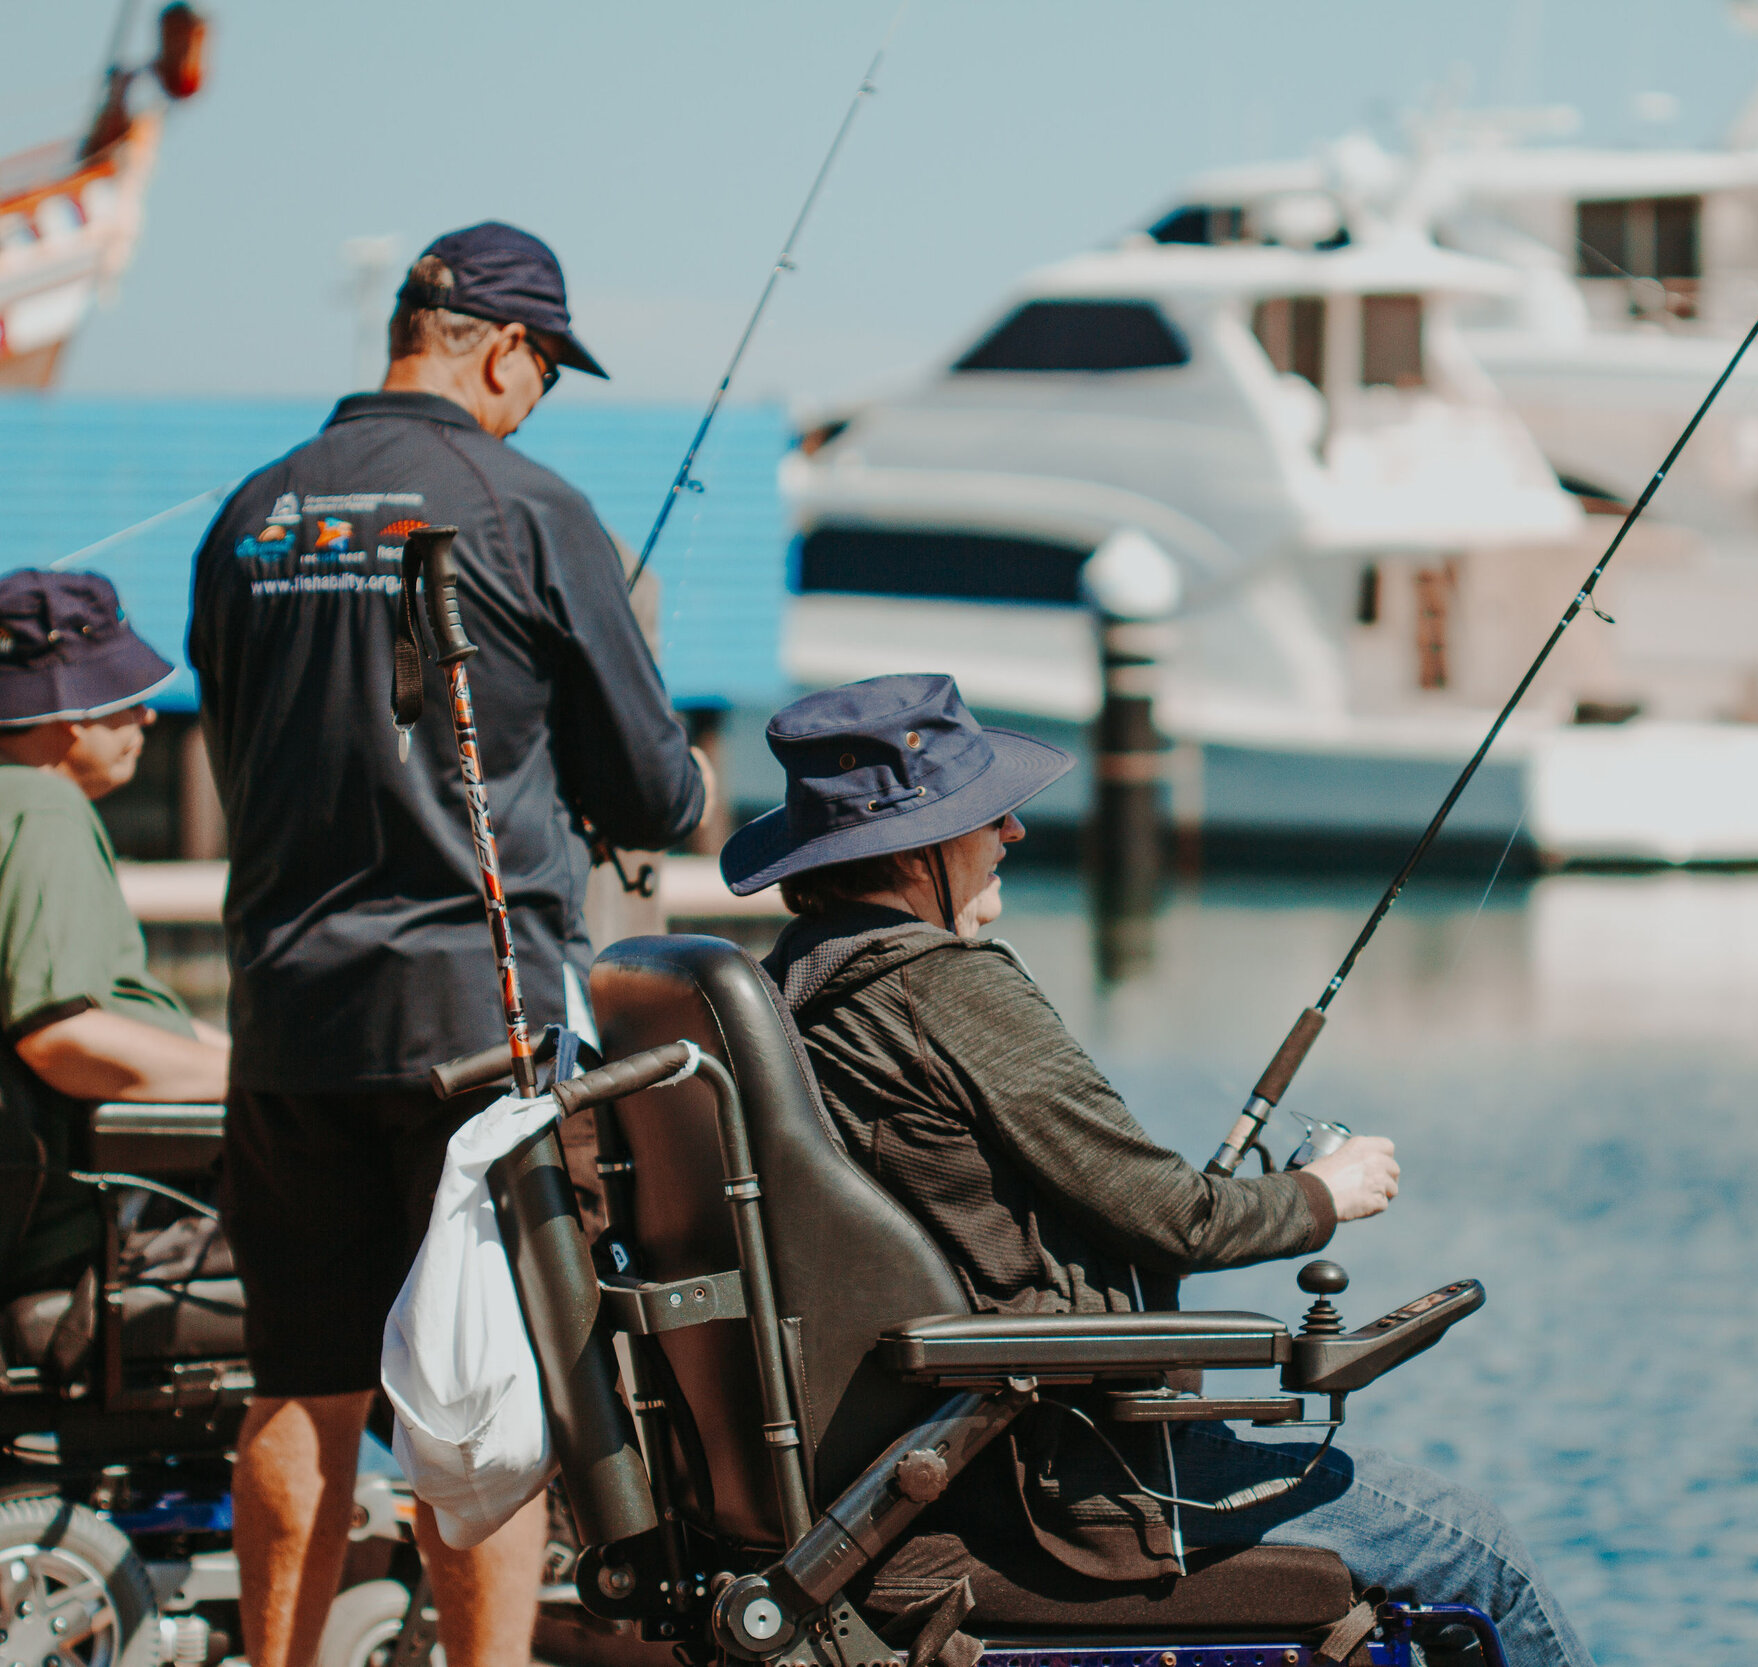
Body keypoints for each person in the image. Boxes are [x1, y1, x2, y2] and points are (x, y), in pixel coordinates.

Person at [722, 674, 1591, 1667]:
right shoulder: (941, 988)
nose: (1012, 831)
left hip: (913, 1471)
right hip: (1072, 1482)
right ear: (919, 850)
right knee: (1476, 1547)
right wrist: (1325, 1192)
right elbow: (1175, 1217)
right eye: (986, 815)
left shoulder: (790, 993)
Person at [187, 224, 711, 1667]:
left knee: (299, 1382)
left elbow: (239, 752)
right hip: (478, 1030)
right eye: (546, 373)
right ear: (505, 349)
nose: (537, 401)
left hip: (288, 1021)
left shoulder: (250, 513)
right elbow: (652, 790)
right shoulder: (527, 507)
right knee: (486, 1389)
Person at [0, 571, 228, 1297]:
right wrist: (267, 1086)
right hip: (66, 1242)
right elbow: (61, 1035)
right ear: (71, 711)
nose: (148, 716)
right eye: (126, 697)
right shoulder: (43, 806)